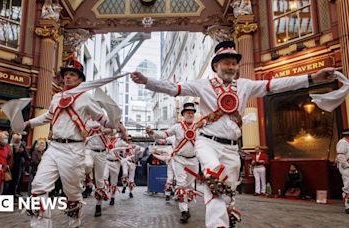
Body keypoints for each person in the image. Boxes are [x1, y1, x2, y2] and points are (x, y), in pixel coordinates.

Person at [131, 40, 335, 227]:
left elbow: (276, 85)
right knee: (214, 175)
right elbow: (173, 88)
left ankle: (227, 214)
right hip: (207, 143)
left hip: (231, 148)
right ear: (216, 66)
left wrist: (311, 78)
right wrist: (147, 81)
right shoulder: (202, 86)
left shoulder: (245, 86)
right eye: (226, 63)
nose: (231, 67)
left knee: (227, 192)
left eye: (233, 63)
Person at [23, 58, 109, 228]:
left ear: (80, 79)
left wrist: (115, 124)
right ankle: (40, 226)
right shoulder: (56, 97)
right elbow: (48, 117)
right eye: (66, 74)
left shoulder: (86, 97)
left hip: (73, 149)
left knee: (72, 192)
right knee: (38, 185)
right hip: (53, 147)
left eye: (72, 74)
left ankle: (74, 224)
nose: (67, 77)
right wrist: (29, 123)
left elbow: (103, 118)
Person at [146, 102, 199, 224]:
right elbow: (165, 134)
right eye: (188, 112)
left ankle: (187, 207)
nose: (190, 114)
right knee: (181, 184)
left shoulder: (199, 127)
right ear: (183, 114)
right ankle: (184, 211)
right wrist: (153, 133)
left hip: (194, 160)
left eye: (192, 112)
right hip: (179, 159)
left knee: (190, 186)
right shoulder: (177, 127)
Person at [84, 119, 114, 217]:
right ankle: (87, 178)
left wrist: (110, 130)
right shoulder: (85, 120)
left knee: (100, 181)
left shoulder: (104, 121)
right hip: (88, 150)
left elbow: (114, 130)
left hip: (101, 153)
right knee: (87, 165)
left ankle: (98, 205)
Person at [103, 130, 129, 206]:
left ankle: (112, 197)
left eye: (113, 132)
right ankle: (105, 192)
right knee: (104, 177)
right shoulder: (105, 139)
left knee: (113, 182)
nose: (111, 134)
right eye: (110, 132)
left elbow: (127, 145)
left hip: (115, 163)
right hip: (106, 161)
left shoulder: (119, 141)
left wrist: (129, 146)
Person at [336, 129, 349, 214]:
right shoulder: (342, 142)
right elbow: (340, 155)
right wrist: (346, 166)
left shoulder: (346, 142)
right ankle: (348, 206)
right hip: (346, 167)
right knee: (348, 186)